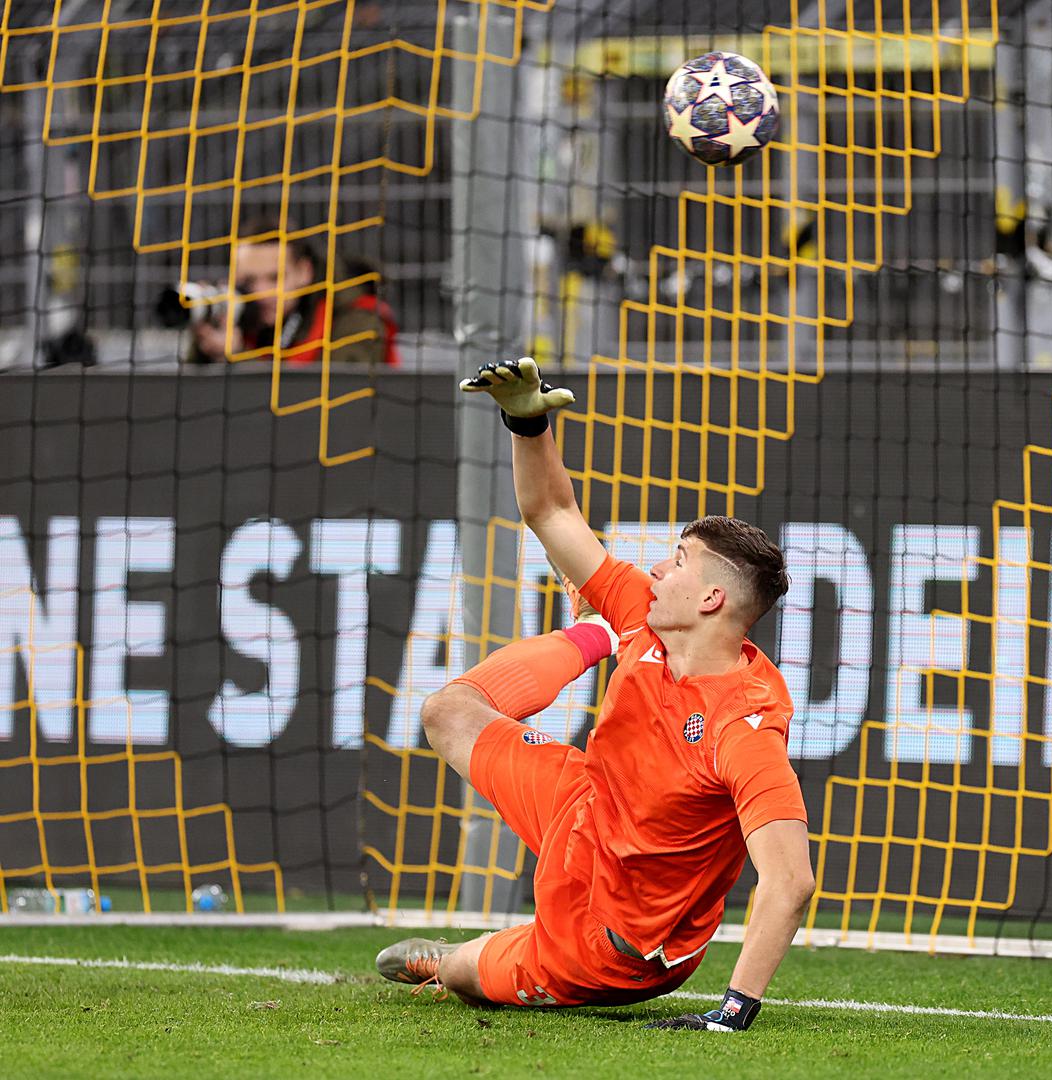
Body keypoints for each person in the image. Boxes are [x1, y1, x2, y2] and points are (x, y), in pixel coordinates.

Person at [374, 356, 814, 1033]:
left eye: (678, 559)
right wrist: (526, 422)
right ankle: (589, 634)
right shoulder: (647, 614)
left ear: (711, 598)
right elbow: (550, 511)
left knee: (465, 976)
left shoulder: (743, 725)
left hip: (611, 939)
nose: (659, 566)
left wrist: (733, 1013)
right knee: (448, 712)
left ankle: (458, 962)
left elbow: (790, 882)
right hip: (582, 803)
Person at [186, 215, 399, 367]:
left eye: (274, 278)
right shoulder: (244, 318)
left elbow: (333, 406)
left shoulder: (358, 317)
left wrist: (239, 356)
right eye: (249, 280)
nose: (261, 293)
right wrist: (205, 341)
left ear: (304, 272)